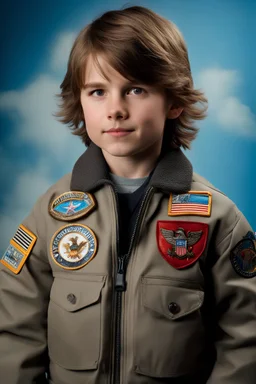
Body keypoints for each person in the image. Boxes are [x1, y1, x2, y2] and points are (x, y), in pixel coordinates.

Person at [0, 5, 255, 384]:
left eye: (136, 89)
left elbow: (245, 340)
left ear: (174, 101)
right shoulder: (50, 214)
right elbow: (16, 333)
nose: (116, 109)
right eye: (98, 91)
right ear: (79, 101)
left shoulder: (217, 218)